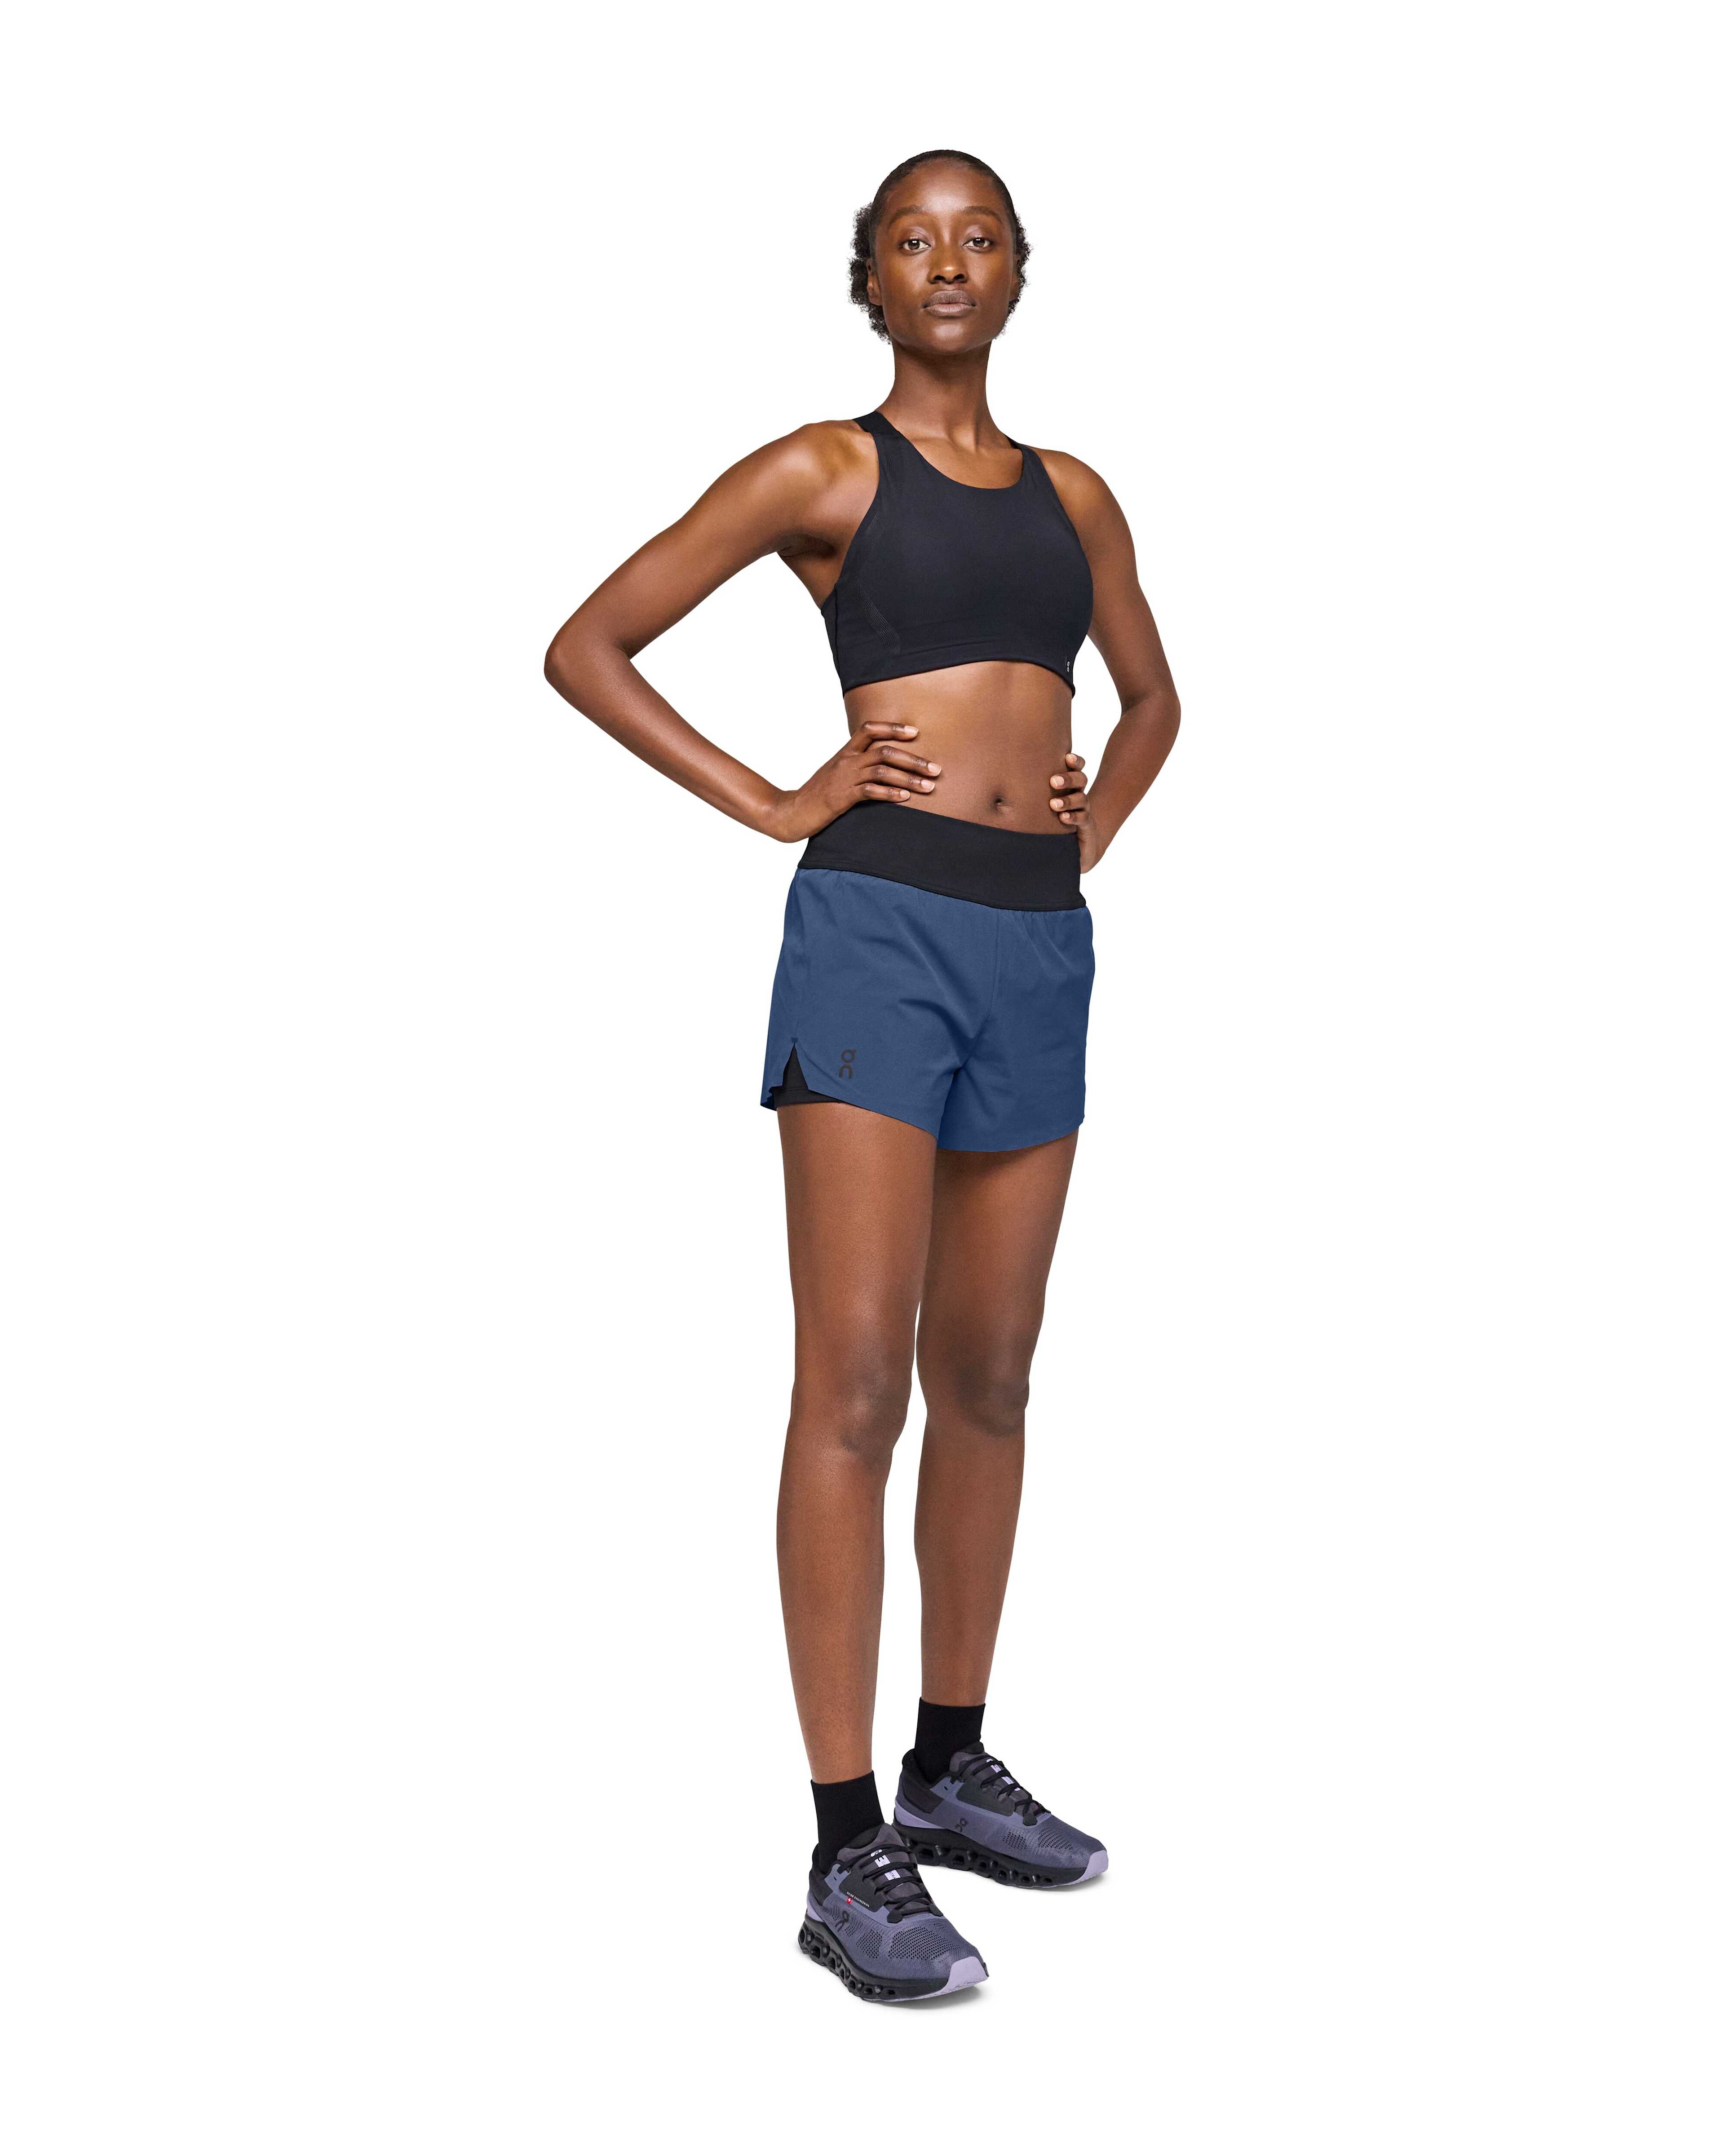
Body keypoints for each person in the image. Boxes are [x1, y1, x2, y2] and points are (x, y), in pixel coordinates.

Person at [544, 148, 1181, 2001]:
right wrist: (772, 800)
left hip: (1037, 944)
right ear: (872, 282)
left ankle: (950, 1766)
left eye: (979, 237)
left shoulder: (1078, 495)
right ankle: (844, 1851)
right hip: (879, 933)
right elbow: (588, 645)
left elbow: (1155, 699)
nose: (948, 262)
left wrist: (1094, 827)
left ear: (1020, 272)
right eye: (914, 240)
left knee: (990, 1375)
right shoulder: (823, 471)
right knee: (854, 1385)